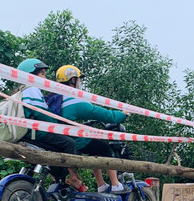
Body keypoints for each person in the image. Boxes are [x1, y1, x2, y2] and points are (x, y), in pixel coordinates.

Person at [16, 58, 86, 191]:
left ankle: (58, 181)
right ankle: (74, 178)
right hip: (35, 133)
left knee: (58, 148)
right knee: (69, 143)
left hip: (28, 132)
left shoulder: (22, 90)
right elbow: (41, 114)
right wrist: (57, 125)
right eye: (42, 73)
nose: (45, 77)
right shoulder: (32, 90)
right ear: (31, 75)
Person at [55, 64, 128, 193]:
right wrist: (122, 114)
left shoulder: (56, 97)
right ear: (72, 80)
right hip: (71, 139)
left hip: (57, 137)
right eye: (79, 79)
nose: (80, 82)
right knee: (103, 148)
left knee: (93, 147)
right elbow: (101, 114)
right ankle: (115, 184)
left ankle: (101, 184)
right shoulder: (73, 100)